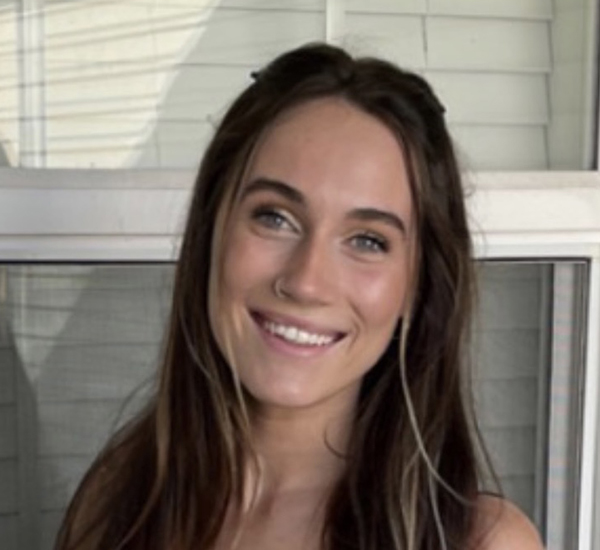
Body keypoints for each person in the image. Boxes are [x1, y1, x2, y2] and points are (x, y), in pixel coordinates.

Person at [55, 43, 544, 550]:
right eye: (275, 217)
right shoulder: (118, 501)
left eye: (368, 241)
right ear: (212, 231)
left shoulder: (482, 542)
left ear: (417, 287)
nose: (307, 281)